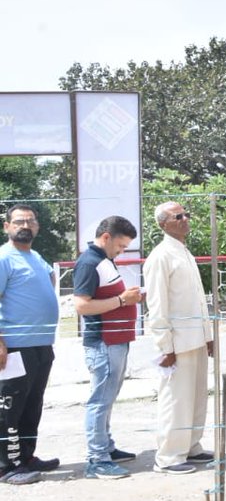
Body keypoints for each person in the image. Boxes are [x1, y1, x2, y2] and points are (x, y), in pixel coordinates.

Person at [144, 202, 213, 475]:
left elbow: (197, 300)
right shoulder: (160, 256)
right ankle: (169, 457)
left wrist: (207, 336)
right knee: (175, 400)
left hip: (195, 338)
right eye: (178, 216)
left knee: (196, 397)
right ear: (164, 224)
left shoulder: (183, 252)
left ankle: (191, 446)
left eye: (186, 214)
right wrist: (165, 346)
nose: (185, 219)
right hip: (177, 343)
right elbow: (158, 306)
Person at [72, 215, 144, 480]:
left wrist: (126, 300)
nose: (122, 251)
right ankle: (97, 458)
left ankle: (106, 447)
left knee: (107, 397)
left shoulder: (103, 261)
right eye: (121, 246)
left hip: (115, 341)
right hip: (103, 342)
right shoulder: (89, 263)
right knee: (100, 400)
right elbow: (81, 306)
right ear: (106, 238)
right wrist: (122, 300)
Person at [0, 205, 63, 485]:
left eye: (30, 221)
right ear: (6, 226)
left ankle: (25, 457)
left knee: (32, 404)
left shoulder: (34, 256)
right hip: (14, 346)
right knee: (9, 407)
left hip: (41, 345)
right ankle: (5, 466)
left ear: (37, 227)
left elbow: (49, 278)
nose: (25, 225)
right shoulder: (4, 258)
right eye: (18, 221)